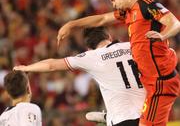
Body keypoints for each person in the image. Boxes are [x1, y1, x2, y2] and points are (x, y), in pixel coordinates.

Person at [56, 0, 180, 126]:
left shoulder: (146, 4)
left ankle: (109, 118)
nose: (113, 4)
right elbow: (102, 19)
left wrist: (163, 36)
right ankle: (110, 117)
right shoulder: (127, 12)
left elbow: (175, 23)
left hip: (160, 81)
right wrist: (72, 24)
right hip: (150, 80)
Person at [14, 27, 146, 126]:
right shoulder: (132, 46)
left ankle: (108, 117)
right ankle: (107, 117)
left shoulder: (92, 56)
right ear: (109, 37)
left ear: (88, 48)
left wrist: (26, 68)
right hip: (151, 116)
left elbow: (51, 65)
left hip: (123, 119)